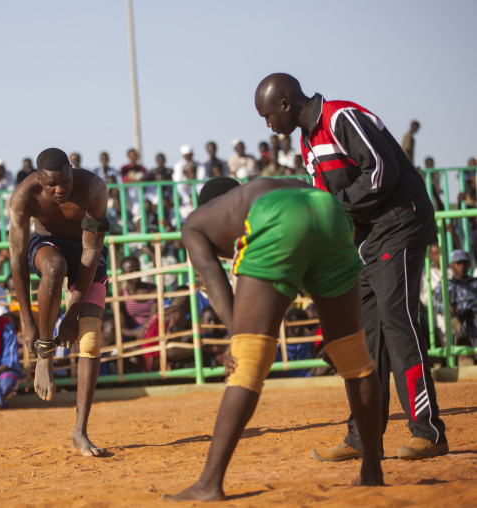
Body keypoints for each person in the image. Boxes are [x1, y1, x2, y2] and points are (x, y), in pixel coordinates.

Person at [254, 73, 447, 461]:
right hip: (367, 238)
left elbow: (381, 171)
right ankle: (363, 435)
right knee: (359, 335)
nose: (268, 125)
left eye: (267, 115)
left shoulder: (341, 117)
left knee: (398, 320)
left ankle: (428, 432)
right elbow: (329, 201)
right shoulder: (309, 143)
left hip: (400, 224)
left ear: (286, 104)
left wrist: (334, 206)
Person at [164, 176, 384, 502]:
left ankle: (209, 483)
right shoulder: (271, 186)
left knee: (248, 360)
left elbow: (213, 279)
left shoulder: (197, 223)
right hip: (329, 209)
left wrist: (240, 338)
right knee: (352, 354)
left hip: (278, 215)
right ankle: (372, 471)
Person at [9, 147, 110, 457]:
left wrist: (72, 314)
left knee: (90, 341)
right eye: (52, 184)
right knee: (54, 268)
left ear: (72, 169)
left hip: (87, 254)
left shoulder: (94, 188)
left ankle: (80, 431)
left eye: (65, 181)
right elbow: (17, 259)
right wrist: (27, 322)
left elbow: (91, 253)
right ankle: (45, 355)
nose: (60, 189)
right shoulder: (24, 197)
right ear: (39, 179)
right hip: (47, 244)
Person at [433, 249, 477, 363]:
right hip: (456, 322)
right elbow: (437, 304)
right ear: (452, 265)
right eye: (458, 263)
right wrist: (449, 309)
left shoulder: (475, 283)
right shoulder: (445, 285)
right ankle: (462, 357)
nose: (462, 266)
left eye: (465, 263)